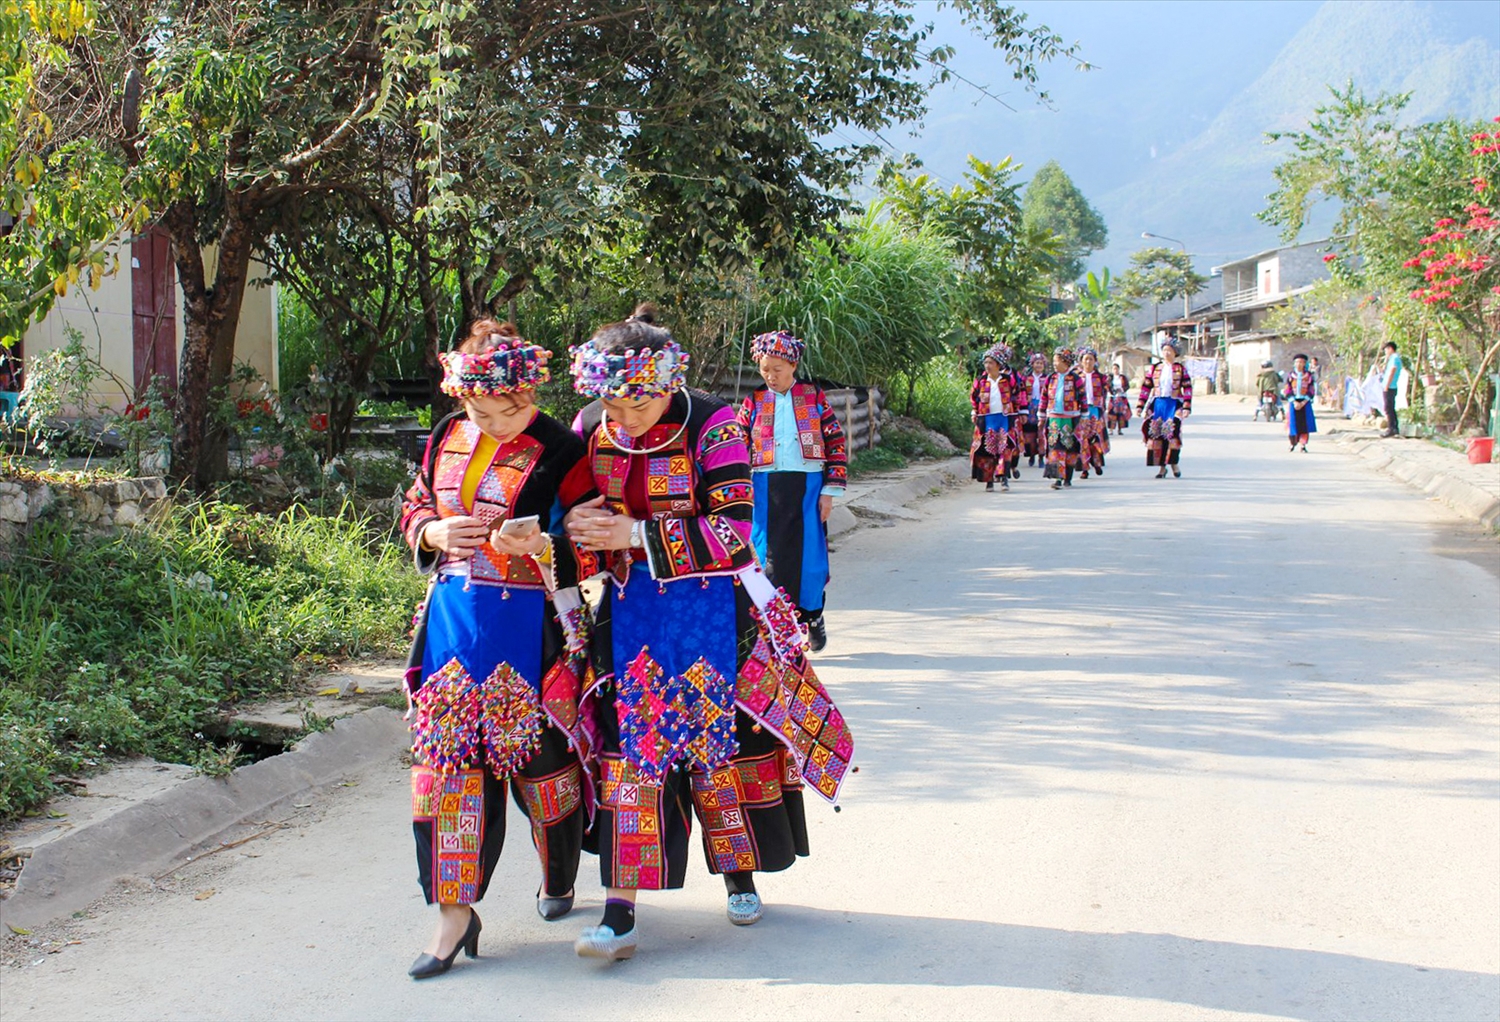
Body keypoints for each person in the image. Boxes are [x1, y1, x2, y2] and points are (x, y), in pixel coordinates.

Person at [561, 305, 854, 962]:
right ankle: (619, 909)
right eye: (614, 403)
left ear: (670, 384)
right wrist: (568, 530)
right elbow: (571, 508)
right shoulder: (589, 428)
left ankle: (739, 873)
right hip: (629, 615)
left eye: (642, 404)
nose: (627, 417)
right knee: (631, 754)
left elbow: (732, 530)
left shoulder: (714, 422)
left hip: (713, 612)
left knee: (717, 747)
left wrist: (634, 534)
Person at [398, 319, 595, 980]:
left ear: (530, 393)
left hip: (532, 627)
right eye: (479, 409)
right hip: (454, 626)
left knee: (543, 769)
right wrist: (431, 530)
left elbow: (596, 539)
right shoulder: (446, 438)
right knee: (448, 773)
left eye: (508, 411)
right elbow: (415, 505)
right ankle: (455, 912)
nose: (494, 423)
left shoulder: (564, 449)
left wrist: (544, 547)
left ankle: (558, 871)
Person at [736, 330, 848, 652]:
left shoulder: (813, 397)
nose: (770, 376)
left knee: (810, 561)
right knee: (765, 558)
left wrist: (829, 491)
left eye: (777, 370)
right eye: (765, 369)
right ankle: (773, 630)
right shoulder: (753, 401)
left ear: (793, 365)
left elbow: (835, 442)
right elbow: (738, 446)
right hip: (764, 488)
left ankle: (813, 617)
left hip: (808, 488)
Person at [1136, 339, 1193, 478]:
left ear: (1175, 353)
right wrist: (1140, 406)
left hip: (1174, 404)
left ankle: (1174, 463)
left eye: (1170, 350)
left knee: (1172, 435)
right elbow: (1146, 387)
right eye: (1164, 350)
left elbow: (1187, 388)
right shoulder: (1155, 368)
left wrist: (1186, 407)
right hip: (1158, 405)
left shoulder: (1180, 369)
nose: (1166, 353)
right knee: (1157, 435)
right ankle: (1162, 468)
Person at [968, 341, 1018, 492]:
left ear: (998, 364)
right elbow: (974, 398)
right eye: (986, 362)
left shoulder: (1008, 380)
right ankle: (989, 481)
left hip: (1004, 418)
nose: (987, 365)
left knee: (1004, 448)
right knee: (988, 450)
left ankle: (1004, 479)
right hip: (986, 418)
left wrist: (1019, 413)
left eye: (990, 362)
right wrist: (974, 412)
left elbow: (1017, 395)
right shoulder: (981, 381)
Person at [1042, 347, 1084, 490]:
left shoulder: (1076, 379)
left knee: (1069, 447)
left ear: (1065, 362)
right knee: (1055, 447)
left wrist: (1083, 415)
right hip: (1053, 418)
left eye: (1057, 360)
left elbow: (1083, 397)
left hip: (1071, 418)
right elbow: (1044, 397)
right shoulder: (1051, 378)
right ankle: (1057, 478)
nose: (1054, 363)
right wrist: (1041, 414)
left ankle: (1068, 477)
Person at [1073, 347, 1110, 478]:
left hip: (1095, 411)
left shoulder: (1101, 377)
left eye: (1091, 359)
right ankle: (1084, 468)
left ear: (1095, 361)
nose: (1088, 362)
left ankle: (1097, 463)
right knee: (1082, 440)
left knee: (1095, 438)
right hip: (1081, 412)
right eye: (1085, 359)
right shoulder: (1076, 377)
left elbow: (1106, 392)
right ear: (1081, 361)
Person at [1284, 353, 1317, 452]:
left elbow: (1311, 390)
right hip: (1293, 402)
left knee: (1304, 424)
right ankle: (1292, 443)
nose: (1299, 364)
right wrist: (1294, 402)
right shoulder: (1290, 375)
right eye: (1297, 362)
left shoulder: (1309, 376)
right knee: (1293, 424)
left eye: (1301, 362)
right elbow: (1287, 390)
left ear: (1304, 364)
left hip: (1305, 402)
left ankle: (1303, 445)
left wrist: (1303, 402)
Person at [1020, 351, 1048, 467]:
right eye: (1037, 363)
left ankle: (1041, 457)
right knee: (1029, 433)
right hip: (1030, 407)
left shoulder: (1047, 378)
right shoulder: (1026, 378)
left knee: (1041, 433)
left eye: (1041, 363)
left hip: (1042, 407)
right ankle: (1031, 455)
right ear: (1032, 364)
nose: (1038, 365)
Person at [1380, 341, 1404, 437]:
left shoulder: (1395, 358)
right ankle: (1394, 428)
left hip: (1390, 386)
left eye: (1386, 349)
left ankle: (1391, 428)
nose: (1385, 352)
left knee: (1388, 408)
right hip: (1389, 386)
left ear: (1390, 348)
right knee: (1390, 408)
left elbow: (1392, 370)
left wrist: (1387, 384)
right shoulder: (1391, 359)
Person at [1107, 364, 1133, 435]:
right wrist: (1113, 391)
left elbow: (1127, 386)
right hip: (1113, 398)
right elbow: (1107, 386)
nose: (1115, 370)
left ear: (1119, 369)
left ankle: (1120, 430)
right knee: (1112, 414)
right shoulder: (1110, 378)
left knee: (1121, 415)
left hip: (1121, 397)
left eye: (1116, 368)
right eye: (1114, 369)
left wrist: (1121, 389)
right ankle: (1111, 430)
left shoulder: (1122, 377)